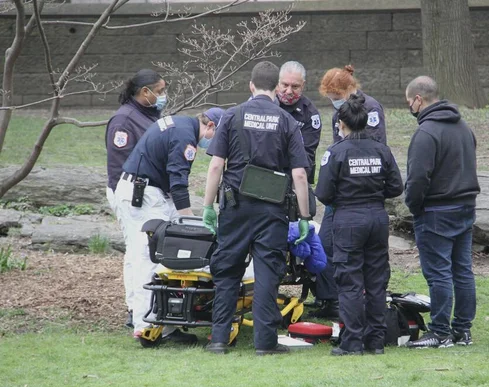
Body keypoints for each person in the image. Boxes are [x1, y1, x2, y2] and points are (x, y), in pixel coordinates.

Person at [202, 61, 311, 356]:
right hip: (271, 211)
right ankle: (265, 343)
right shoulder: (287, 121)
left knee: (227, 273)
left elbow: (215, 166)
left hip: (235, 207)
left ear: (251, 85)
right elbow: (299, 174)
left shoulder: (232, 116)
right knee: (266, 274)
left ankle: (219, 340)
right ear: (276, 87)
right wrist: (304, 217)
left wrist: (208, 206)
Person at [114, 107, 224, 344]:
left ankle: (141, 314)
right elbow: (178, 182)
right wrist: (193, 224)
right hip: (144, 194)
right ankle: (148, 325)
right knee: (151, 256)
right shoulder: (187, 138)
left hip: (139, 189)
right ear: (211, 127)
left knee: (139, 254)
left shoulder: (182, 124)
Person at [314, 93, 403, 356]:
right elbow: (396, 187)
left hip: (348, 220)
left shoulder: (336, 152)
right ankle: (376, 341)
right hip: (377, 218)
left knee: (349, 281)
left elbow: (323, 193)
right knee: (376, 281)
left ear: (342, 123)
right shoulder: (382, 150)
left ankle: (352, 342)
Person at [403, 76, 480, 349]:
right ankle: (462, 330)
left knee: (439, 274)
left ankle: (439, 332)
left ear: (418, 100)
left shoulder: (426, 133)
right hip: (465, 208)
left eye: (409, 102)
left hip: (436, 212)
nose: (409, 108)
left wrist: (414, 206)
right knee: (462, 272)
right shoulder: (463, 127)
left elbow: (417, 179)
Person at [308, 65, 387, 319]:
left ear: (349, 90)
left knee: (353, 256)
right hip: (339, 194)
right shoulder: (338, 115)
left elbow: (373, 149)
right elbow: (336, 150)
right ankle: (329, 299)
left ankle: (349, 304)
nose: (334, 104)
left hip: (360, 193)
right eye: (331, 100)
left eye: (337, 98)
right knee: (325, 245)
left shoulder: (370, 109)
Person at [105, 69, 165, 328]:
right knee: (137, 252)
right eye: (160, 91)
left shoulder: (147, 114)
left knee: (140, 251)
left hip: (145, 192)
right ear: (145, 92)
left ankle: (141, 305)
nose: (163, 96)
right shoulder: (124, 120)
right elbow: (120, 165)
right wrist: (131, 200)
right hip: (131, 193)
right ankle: (135, 307)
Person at [276, 61, 322, 184]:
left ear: (303, 85)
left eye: (295, 86)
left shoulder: (310, 113)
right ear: (277, 82)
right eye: (285, 85)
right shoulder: (266, 104)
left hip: (294, 175)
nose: (289, 91)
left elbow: (306, 155)